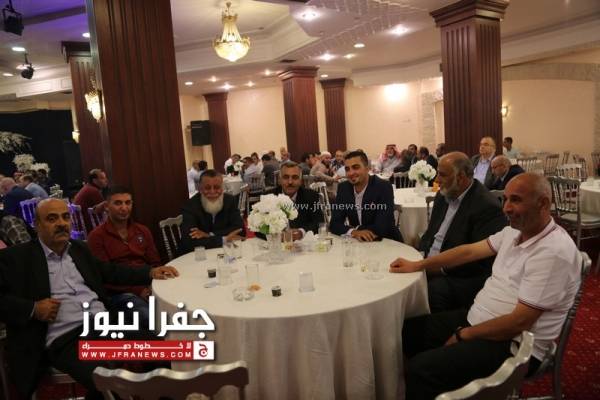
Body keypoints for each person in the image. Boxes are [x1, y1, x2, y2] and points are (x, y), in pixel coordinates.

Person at [391, 173, 581, 400]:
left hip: (514, 344)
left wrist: (463, 335)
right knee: (403, 333)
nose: (506, 208)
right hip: (480, 318)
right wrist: (419, 265)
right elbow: (469, 251)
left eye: (516, 200)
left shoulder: (554, 252)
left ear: (543, 204)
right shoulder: (514, 230)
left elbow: (519, 322)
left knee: (420, 371)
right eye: (506, 199)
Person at [0, 198, 178, 399]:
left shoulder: (78, 249)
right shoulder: (17, 258)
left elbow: (110, 271)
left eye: (65, 217)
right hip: (68, 338)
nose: (61, 223)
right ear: (37, 225)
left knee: (165, 352)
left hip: (106, 325)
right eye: (52, 219)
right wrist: (33, 308)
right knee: (109, 382)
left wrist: (150, 272)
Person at [418, 152, 507, 312]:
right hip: (431, 263)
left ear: (460, 177)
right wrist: (421, 255)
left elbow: (478, 261)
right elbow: (431, 233)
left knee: (431, 291)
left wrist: (436, 268)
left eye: (442, 174)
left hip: (459, 275)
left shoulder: (486, 206)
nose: (437, 180)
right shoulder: (443, 194)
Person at [87, 186, 162, 329]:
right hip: (120, 293)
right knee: (151, 320)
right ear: (107, 206)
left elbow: (155, 262)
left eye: (128, 203)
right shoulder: (96, 237)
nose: (124, 208)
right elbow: (104, 276)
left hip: (149, 285)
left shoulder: (142, 230)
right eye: (118, 203)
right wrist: (139, 290)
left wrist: (152, 287)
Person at [329, 151, 402, 242]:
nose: (351, 173)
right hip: (358, 243)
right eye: (347, 169)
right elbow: (334, 224)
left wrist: (355, 229)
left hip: (386, 241)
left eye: (356, 167)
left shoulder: (383, 187)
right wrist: (354, 232)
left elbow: (382, 227)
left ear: (367, 168)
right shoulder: (344, 188)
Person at [180, 170, 245, 252]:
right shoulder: (190, 206)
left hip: (225, 252)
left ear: (222, 187)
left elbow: (240, 230)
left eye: (217, 187)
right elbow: (189, 242)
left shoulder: (230, 200)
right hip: (198, 255)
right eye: (207, 188)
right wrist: (223, 239)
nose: (212, 192)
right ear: (200, 188)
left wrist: (209, 235)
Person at [256, 162, 323, 241]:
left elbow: (319, 222)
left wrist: (301, 232)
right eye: (285, 177)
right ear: (279, 180)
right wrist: (276, 236)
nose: (290, 182)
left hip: (302, 244)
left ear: (300, 181)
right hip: (275, 244)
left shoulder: (311, 196)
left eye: (295, 177)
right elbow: (257, 227)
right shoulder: (267, 197)